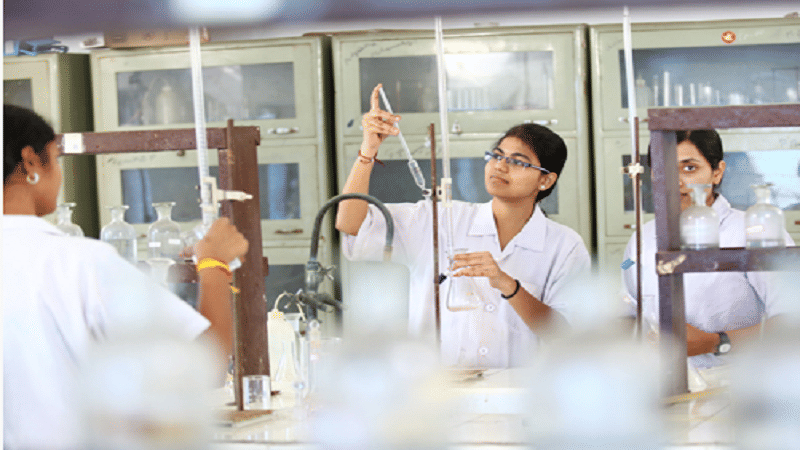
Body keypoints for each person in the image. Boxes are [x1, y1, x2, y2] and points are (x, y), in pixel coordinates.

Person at [2, 104, 249, 449]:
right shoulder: (77, 261)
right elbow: (205, 364)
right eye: (56, 159)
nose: (58, 174)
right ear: (30, 162)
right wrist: (214, 264)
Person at [335, 84, 591, 368]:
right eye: (496, 155)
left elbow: (567, 336)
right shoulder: (442, 219)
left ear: (546, 180)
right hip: (439, 394)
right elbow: (351, 225)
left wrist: (509, 286)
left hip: (520, 396)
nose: (500, 166)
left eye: (518, 162)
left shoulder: (564, 246)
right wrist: (368, 151)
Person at [622, 129, 795, 369]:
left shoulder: (756, 231)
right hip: (661, 384)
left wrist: (716, 342)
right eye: (663, 170)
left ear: (717, 172)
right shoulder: (642, 236)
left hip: (735, 386)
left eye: (689, 168)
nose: (676, 181)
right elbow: (628, 305)